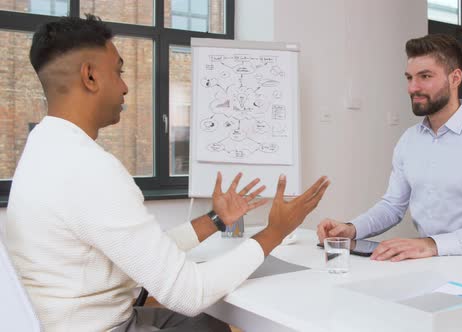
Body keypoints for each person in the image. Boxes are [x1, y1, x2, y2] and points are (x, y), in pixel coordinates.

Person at [5, 15, 329, 332]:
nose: (125, 86)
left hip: (58, 320)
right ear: (90, 77)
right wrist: (274, 232)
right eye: (118, 72)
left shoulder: (43, 147)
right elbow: (189, 293)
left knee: (204, 324)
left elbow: (143, 251)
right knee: (199, 316)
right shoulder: (89, 169)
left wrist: (216, 219)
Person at [317, 34, 462, 262]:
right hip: (426, 262)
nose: (413, 88)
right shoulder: (409, 140)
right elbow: (392, 206)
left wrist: (432, 244)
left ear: (455, 78)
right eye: (409, 78)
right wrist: (352, 229)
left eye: (425, 76)